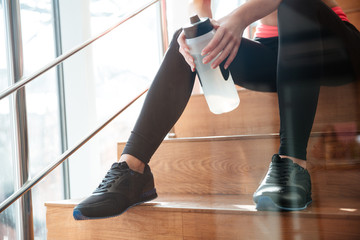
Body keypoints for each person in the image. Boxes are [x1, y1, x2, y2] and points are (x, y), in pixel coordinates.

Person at [73, 0, 360, 219]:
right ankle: (131, 171)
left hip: (332, 46)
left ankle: (293, 165)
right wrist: (201, 33)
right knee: (183, 39)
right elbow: (199, 7)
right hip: (275, 55)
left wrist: (236, 20)